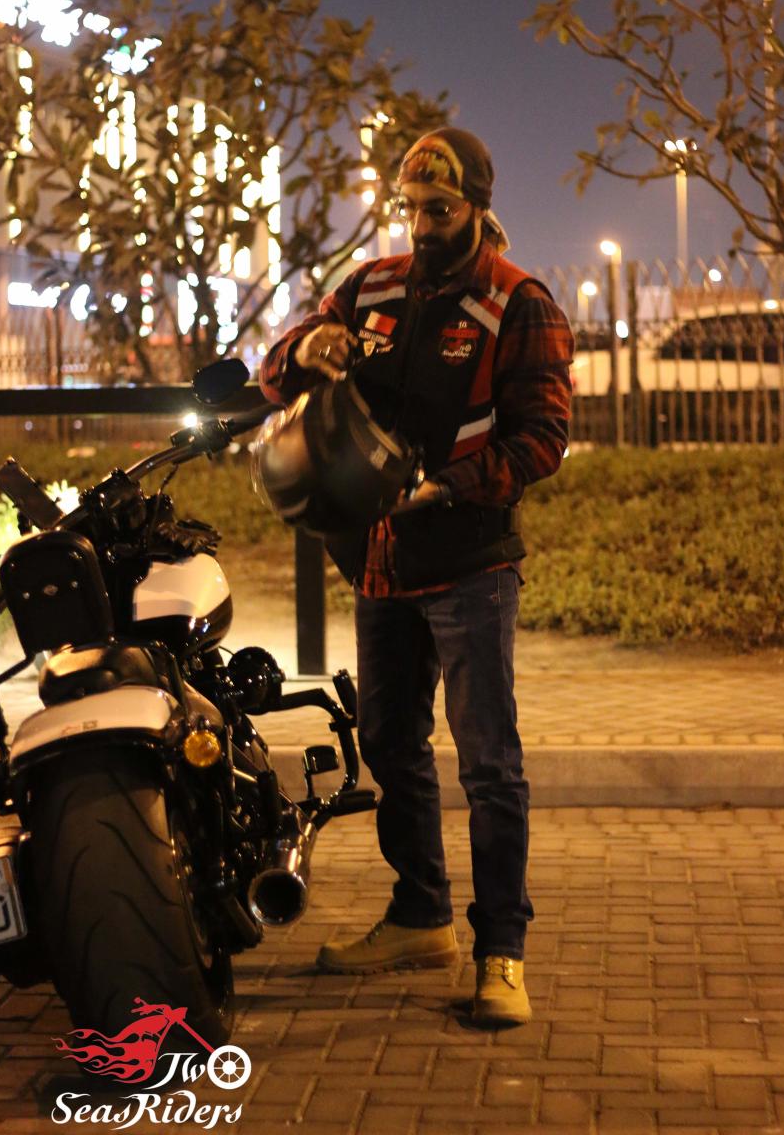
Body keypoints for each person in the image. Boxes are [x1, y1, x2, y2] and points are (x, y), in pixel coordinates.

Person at [260, 127, 573, 1025]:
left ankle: (501, 950)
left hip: (470, 564)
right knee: (390, 743)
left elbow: (542, 440)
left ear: (476, 206)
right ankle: (420, 915)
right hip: (380, 564)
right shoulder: (370, 286)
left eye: (440, 210)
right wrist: (306, 350)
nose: (423, 226)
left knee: (489, 764)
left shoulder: (519, 303)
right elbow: (278, 366)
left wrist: (446, 488)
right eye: (411, 210)